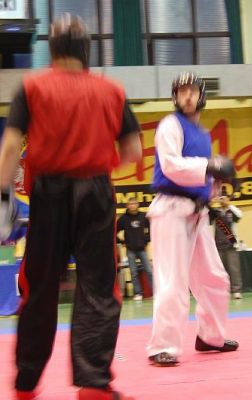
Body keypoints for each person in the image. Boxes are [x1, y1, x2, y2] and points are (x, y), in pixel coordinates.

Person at [0, 14, 141, 400]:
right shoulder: (112, 91)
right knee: (98, 287)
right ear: (86, 50)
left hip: (48, 192)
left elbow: (10, 146)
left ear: (52, 49)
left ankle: (26, 384)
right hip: (95, 191)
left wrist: (2, 195)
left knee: (40, 289)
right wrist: (95, 157)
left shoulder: (32, 86)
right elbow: (133, 150)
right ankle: (93, 384)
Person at [146, 71, 238, 367]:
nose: (187, 96)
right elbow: (171, 166)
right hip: (171, 210)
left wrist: (217, 186)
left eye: (192, 91)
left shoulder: (202, 134)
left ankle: (210, 336)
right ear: (175, 97)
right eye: (181, 91)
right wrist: (210, 165)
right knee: (173, 280)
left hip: (196, 212)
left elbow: (203, 176)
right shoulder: (169, 125)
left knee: (215, 277)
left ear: (201, 96)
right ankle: (163, 346)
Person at [117, 197, 153, 301]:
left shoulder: (143, 216)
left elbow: (151, 228)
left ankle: (155, 292)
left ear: (137, 205)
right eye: (130, 204)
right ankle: (138, 293)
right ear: (127, 206)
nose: (132, 205)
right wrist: (122, 242)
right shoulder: (123, 218)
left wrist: (146, 240)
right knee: (133, 272)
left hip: (142, 249)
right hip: (130, 250)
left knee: (149, 271)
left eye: (134, 203)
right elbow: (115, 231)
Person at [210, 194, 243, 299]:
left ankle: (236, 290)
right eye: (221, 198)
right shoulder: (215, 212)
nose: (222, 200)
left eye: (224, 198)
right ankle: (221, 291)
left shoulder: (232, 211)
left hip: (231, 244)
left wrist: (229, 205)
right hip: (218, 244)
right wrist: (211, 202)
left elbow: (240, 216)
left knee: (234, 269)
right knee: (219, 270)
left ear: (228, 199)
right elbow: (206, 218)